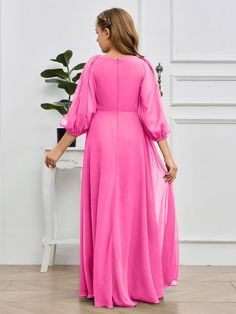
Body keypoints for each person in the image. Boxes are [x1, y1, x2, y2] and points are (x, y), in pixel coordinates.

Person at [44, 7, 179, 309]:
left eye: (96, 33)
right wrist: (169, 158)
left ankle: (105, 284)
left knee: (104, 211)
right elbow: (154, 118)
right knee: (133, 214)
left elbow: (80, 116)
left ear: (107, 31)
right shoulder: (143, 67)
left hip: (102, 141)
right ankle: (135, 283)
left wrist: (58, 150)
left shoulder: (94, 66)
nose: (96, 39)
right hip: (134, 142)